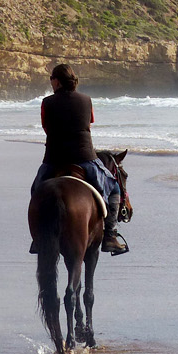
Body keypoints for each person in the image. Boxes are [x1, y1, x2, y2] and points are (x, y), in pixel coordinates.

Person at [30, 64, 128, 256]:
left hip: (54, 159)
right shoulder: (86, 100)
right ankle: (110, 236)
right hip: (84, 158)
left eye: (51, 79)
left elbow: (46, 128)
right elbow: (88, 124)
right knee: (114, 188)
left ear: (56, 81)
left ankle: (38, 238)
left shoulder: (46, 103)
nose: (51, 82)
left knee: (36, 191)